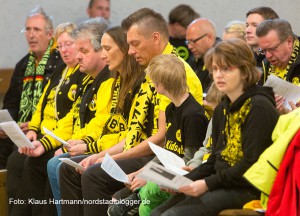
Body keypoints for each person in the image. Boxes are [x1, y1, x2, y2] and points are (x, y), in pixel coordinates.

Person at [59, 8, 204, 215]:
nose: (130, 51)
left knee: (94, 175)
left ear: (155, 38)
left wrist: (123, 162)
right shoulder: (150, 71)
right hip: (150, 154)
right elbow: (131, 131)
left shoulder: (172, 71)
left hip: (166, 158)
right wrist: (102, 154)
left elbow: (163, 139)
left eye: (135, 44)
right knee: (70, 168)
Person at [151, 39, 279, 216]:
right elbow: (214, 159)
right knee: (157, 212)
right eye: (216, 69)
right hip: (222, 182)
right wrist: (181, 181)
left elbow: (250, 165)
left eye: (226, 69)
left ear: (244, 70)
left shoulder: (259, 107)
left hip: (247, 188)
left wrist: (206, 184)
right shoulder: (222, 108)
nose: (218, 75)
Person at [13, 18, 111, 216]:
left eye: (81, 50)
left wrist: (81, 144)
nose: (75, 54)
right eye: (62, 46)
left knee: (56, 164)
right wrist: (46, 141)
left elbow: (103, 124)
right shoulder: (84, 77)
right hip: (75, 140)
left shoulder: (106, 79)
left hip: (100, 146)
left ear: (102, 51)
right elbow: (71, 118)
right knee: (23, 159)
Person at [47, 26, 145, 216]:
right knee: (63, 167)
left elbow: (133, 135)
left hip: (135, 151)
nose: (103, 56)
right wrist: (83, 144)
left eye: (107, 49)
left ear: (124, 51)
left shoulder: (136, 82)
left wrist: (96, 150)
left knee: (87, 172)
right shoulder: (113, 82)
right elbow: (103, 125)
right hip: (115, 146)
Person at [107, 54, 209, 216]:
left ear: (163, 84)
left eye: (154, 81)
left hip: (178, 177)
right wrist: (141, 172)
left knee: (136, 203)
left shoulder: (193, 116)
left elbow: (188, 162)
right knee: (116, 200)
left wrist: (151, 177)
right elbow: (167, 152)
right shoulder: (171, 109)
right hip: (165, 171)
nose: (152, 85)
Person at [4, 5, 62, 208]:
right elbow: (11, 103)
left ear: (49, 33)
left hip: (45, 132)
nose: (31, 35)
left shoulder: (60, 63)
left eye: (36, 30)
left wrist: (34, 125)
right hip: (20, 131)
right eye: (27, 29)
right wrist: (8, 125)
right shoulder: (22, 65)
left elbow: (59, 108)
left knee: (17, 160)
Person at [256, 19, 300, 113]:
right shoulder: (267, 65)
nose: (268, 56)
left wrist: (293, 115)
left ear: (289, 42)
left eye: (272, 49)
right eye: (263, 51)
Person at [186, 18, 220, 93]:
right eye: (187, 42)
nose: (189, 46)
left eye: (193, 41)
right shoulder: (193, 60)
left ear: (209, 37)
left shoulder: (223, 58)